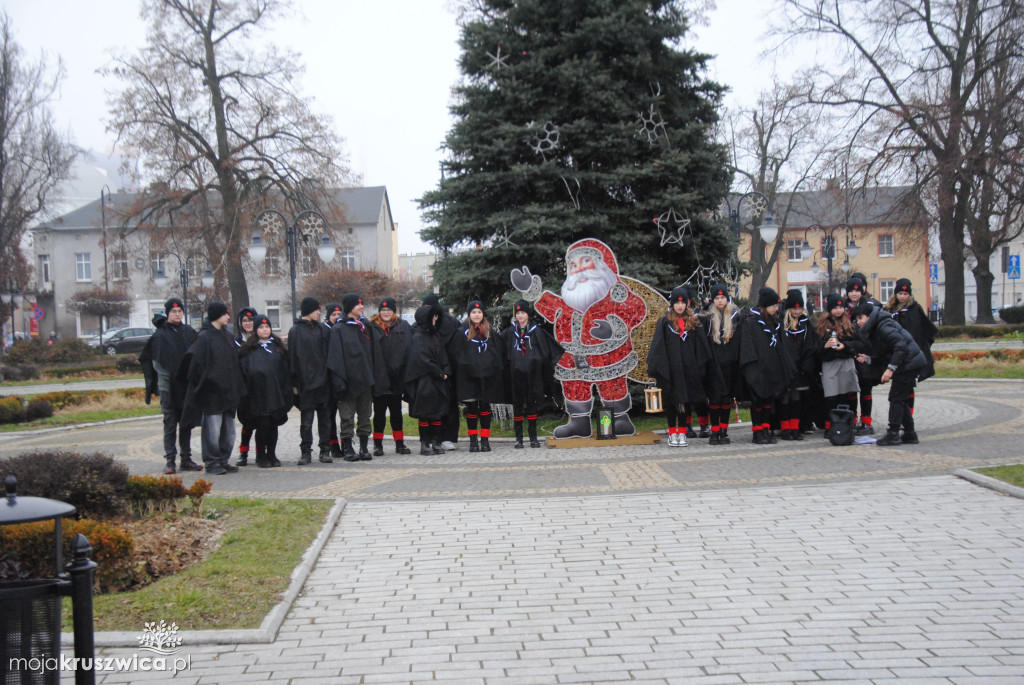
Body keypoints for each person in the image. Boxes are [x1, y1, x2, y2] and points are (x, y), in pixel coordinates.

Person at [511, 238, 647, 437]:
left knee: (611, 384)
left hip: (609, 355)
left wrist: (614, 328)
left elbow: (636, 310)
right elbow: (548, 306)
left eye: (585, 262)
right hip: (574, 356)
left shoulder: (616, 295)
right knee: (575, 386)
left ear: (601, 266)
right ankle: (578, 423)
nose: (579, 269)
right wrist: (532, 290)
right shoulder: (567, 301)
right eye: (573, 265)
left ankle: (618, 420)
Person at [180, 301, 246, 475]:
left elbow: (234, 363)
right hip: (212, 393)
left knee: (229, 431)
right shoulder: (204, 337)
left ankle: (223, 460)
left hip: (229, 392)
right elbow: (197, 365)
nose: (228, 316)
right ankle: (212, 462)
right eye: (226, 313)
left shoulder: (228, 336)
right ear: (217, 315)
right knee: (212, 430)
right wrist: (209, 383)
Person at [139, 298, 201, 474]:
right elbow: (156, 362)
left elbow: (196, 356)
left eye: (180, 311)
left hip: (186, 386)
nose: (177, 314)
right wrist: (174, 375)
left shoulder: (189, 332)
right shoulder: (160, 334)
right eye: (173, 311)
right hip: (168, 387)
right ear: (168, 313)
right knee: (170, 423)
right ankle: (170, 460)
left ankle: (186, 459)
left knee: (186, 423)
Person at [853, 302, 927, 446]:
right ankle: (910, 433)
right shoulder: (876, 326)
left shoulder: (883, 325)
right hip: (907, 363)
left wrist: (890, 369)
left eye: (861, 317)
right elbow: (885, 352)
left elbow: (900, 347)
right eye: (857, 319)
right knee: (899, 398)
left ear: (869, 316)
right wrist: (869, 359)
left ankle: (893, 434)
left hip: (909, 363)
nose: (859, 321)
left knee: (895, 398)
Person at [647, 286, 712, 447]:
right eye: (677, 302)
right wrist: (655, 368)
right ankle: (671, 433)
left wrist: (700, 367)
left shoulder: (694, 322)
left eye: (683, 302)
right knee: (671, 402)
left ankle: (682, 432)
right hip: (669, 369)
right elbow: (658, 345)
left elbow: (701, 347)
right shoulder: (664, 322)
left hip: (687, 370)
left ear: (687, 303)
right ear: (672, 304)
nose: (680, 306)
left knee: (684, 402)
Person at [327, 293, 384, 461]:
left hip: (365, 379)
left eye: (362, 304)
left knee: (365, 415)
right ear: (350, 307)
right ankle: (348, 448)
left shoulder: (365, 326)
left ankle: (364, 447)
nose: (362, 307)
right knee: (347, 416)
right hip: (348, 381)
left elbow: (374, 352)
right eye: (358, 305)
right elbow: (336, 357)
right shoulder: (339, 329)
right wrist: (339, 380)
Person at [501, 299, 564, 448]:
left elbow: (547, 350)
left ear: (528, 314)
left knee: (531, 406)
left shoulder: (536, 331)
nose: (520, 316)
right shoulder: (510, 332)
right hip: (515, 376)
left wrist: (540, 363)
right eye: (518, 313)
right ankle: (518, 438)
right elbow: (499, 347)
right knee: (517, 406)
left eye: (523, 313)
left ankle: (533, 437)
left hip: (533, 375)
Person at [739, 287, 795, 444]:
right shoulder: (750, 321)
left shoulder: (774, 322)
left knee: (768, 401)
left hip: (772, 368)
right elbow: (747, 346)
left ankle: (765, 428)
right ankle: (757, 431)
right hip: (757, 368)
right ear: (764, 306)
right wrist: (752, 368)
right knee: (757, 400)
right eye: (773, 306)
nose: (776, 309)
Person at [449, 299, 506, 452]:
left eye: (479, 312)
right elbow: (455, 354)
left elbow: (498, 351)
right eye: (473, 312)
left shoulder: (489, 331)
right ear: (469, 314)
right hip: (469, 378)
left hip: (487, 377)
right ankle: (473, 441)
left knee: (486, 408)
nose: (476, 314)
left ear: (483, 314)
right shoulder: (462, 333)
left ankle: (485, 440)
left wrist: (495, 367)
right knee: (472, 409)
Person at [238, 314, 290, 467]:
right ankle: (261, 455)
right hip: (257, 394)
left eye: (267, 327)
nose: (265, 330)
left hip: (275, 393)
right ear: (256, 330)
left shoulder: (278, 347)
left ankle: (272, 454)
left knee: (273, 425)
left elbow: (284, 369)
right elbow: (245, 369)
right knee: (262, 425)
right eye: (261, 327)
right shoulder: (249, 349)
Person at [288, 296, 332, 465]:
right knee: (306, 421)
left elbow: (329, 354)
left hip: (323, 382)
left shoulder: (323, 329)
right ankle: (306, 451)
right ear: (308, 311)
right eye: (316, 310)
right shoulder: (296, 331)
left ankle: (325, 450)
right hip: (305, 384)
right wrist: (294, 383)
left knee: (325, 420)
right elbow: (293, 357)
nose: (319, 313)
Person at [883, 278, 938, 416]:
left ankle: (908, 416)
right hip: (895, 353)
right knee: (899, 385)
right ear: (896, 294)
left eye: (905, 294)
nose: (902, 296)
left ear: (909, 295)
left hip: (910, 353)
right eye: (900, 293)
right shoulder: (890, 309)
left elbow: (924, 330)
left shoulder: (914, 309)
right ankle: (902, 415)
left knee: (908, 386)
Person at [405, 303, 452, 455]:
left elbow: (443, 354)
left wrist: (446, 369)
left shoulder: (435, 335)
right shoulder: (418, 336)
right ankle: (425, 443)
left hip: (438, 380)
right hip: (425, 381)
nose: (435, 319)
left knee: (437, 413)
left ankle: (436, 442)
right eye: (433, 316)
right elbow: (423, 359)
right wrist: (439, 373)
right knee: (425, 413)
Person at [815, 293, 863, 438]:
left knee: (847, 394)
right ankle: (831, 425)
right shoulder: (822, 324)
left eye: (840, 307)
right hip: (829, 363)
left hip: (846, 361)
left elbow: (860, 343)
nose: (838, 310)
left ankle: (848, 423)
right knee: (831, 396)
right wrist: (825, 345)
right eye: (835, 307)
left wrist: (845, 346)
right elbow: (814, 347)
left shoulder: (850, 324)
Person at [701, 283, 744, 445]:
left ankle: (724, 431)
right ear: (713, 300)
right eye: (717, 298)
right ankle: (715, 431)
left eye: (723, 298)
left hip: (729, 366)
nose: (720, 301)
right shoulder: (707, 318)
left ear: (727, 299)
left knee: (726, 399)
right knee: (714, 399)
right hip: (713, 365)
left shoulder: (735, 316)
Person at [370, 297, 413, 455]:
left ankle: (399, 443)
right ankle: (377, 444)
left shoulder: (403, 326)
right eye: (383, 310)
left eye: (388, 310)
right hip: (379, 378)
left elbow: (408, 349)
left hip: (396, 378)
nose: (385, 312)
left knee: (396, 413)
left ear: (393, 311)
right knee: (379, 413)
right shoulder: (372, 326)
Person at [422, 293, 461, 450]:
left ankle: (444, 437)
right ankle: (438, 438)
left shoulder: (449, 323)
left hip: (447, 370)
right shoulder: (424, 325)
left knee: (447, 405)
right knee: (437, 405)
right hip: (435, 370)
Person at [845, 276, 881, 435]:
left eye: (857, 290)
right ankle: (852, 420)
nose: (854, 293)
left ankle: (866, 421)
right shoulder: (843, 307)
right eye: (851, 291)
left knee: (866, 389)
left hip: (865, 352)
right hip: (849, 352)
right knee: (851, 390)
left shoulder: (869, 307)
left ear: (862, 291)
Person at [779, 290, 815, 440]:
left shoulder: (806, 324)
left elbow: (810, 345)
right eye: (794, 308)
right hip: (786, 367)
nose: (796, 311)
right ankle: (785, 428)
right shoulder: (781, 323)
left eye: (799, 308)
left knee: (796, 397)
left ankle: (795, 427)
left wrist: (805, 363)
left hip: (800, 367)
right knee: (785, 397)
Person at [231, 307, 257, 465]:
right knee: (247, 422)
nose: (248, 323)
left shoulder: (261, 340)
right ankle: (243, 452)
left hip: (259, 387)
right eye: (245, 321)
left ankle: (262, 451)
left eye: (251, 320)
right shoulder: (236, 343)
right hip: (244, 387)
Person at [323, 302, 345, 459]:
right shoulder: (324, 331)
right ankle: (332, 444)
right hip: (327, 380)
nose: (336, 318)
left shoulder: (343, 329)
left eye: (339, 314)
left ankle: (346, 442)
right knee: (329, 415)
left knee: (345, 414)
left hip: (341, 378)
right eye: (333, 315)